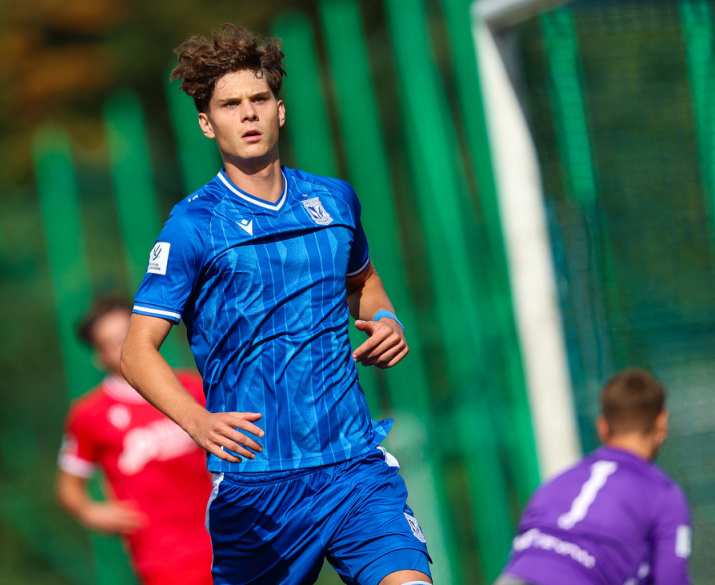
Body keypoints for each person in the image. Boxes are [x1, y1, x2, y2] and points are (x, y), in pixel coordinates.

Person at [120, 23, 432, 585]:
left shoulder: (334, 199)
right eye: (230, 105)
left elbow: (364, 282)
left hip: (354, 466)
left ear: (280, 111)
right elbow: (137, 352)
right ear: (206, 123)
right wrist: (197, 421)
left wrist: (385, 318)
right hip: (258, 485)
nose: (248, 114)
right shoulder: (193, 225)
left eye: (259, 99)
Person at [55, 296, 213, 585]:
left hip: (231, 535)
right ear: (99, 355)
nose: (123, 345)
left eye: (127, 334)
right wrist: (91, 512)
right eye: (110, 342)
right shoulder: (89, 415)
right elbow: (68, 486)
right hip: (164, 558)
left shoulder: (194, 387)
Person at [495, 369, 692, 585]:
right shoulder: (663, 494)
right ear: (661, 423)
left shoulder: (555, 483)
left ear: (602, 426)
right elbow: (671, 579)